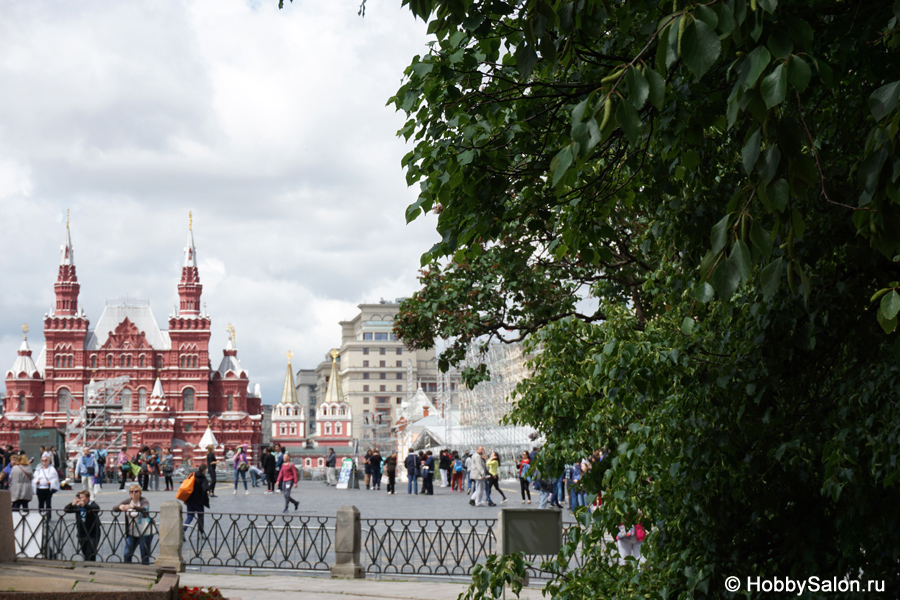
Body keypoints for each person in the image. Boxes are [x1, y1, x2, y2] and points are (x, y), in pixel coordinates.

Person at [115, 484, 153, 564]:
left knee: (144, 554)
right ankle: (128, 570)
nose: (134, 493)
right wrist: (120, 507)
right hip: (132, 532)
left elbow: (145, 508)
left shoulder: (143, 500)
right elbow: (114, 508)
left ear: (140, 492)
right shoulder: (128, 501)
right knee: (127, 554)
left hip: (144, 531)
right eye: (131, 492)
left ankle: (145, 571)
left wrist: (133, 507)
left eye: (136, 491)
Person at [64, 491, 101, 561]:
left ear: (87, 498)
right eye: (79, 498)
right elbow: (66, 510)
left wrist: (85, 506)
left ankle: (90, 567)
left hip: (92, 532)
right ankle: (86, 566)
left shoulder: (91, 504)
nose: (80, 499)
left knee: (90, 553)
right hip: (82, 532)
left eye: (82, 498)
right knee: (84, 551)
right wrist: (72, 504)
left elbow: (97, 508)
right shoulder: (78, 506)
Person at [183, 464, 210, 536]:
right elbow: (204, 490)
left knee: (189, 516)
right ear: (204, 470)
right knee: (200, 517)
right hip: (198, 501)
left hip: (189, 500)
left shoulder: (192, 475)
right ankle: (201, 533)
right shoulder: (203, 478)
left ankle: (183, 529)